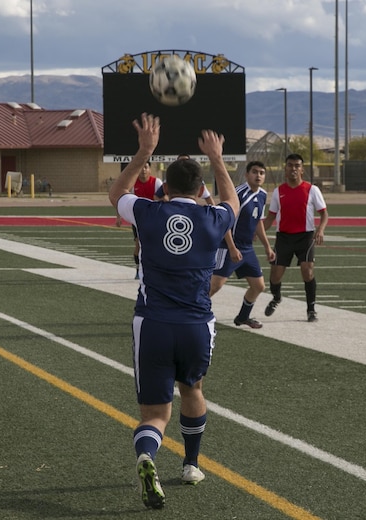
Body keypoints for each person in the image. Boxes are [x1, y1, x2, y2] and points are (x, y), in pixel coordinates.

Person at [108, 113, 239, 510]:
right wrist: (217, 158)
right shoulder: (213, 217)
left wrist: (144, 149)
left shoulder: (148, 212)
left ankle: (147, 455)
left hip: (153, 324)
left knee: (154, 413)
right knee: (193, 390)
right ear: (200, 189)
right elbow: (233, 201)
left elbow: (117, 194)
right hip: (197, 323)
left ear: (164, 187)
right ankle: (191, 464)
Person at [262, 153, 328, 322]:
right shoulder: (278, 191)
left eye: (297, 166)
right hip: (283, 238)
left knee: (307, 271)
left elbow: (324, 214)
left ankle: (311, 309)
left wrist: (320, 229)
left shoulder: (312, 190)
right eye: (290, 165)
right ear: (285, 169)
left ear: (302, 169)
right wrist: (258, 231)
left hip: (305, 237)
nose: (293, 169)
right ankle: (276, 298)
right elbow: (270, 217)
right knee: (275, 275)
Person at [209, 161, 275, 328]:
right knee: (214, 285)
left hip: (247, 248)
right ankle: (189, 313)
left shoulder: (262, 195)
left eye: (262, 172)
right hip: (228, 246)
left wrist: (267, 247)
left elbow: (258, 221)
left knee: (258, 286)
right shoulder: (238, 194)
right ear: (247, 175)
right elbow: (224, 221)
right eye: (255, 172)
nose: (258, 175)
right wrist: (231, 247)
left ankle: (242, 317)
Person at [115, 160, 162, 278]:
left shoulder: (157, 183)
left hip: (154, 218)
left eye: (146, 167)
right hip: (138, 219)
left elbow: (164, 198)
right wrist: (118, 216)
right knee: (138, 244)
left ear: (150, 169)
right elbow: (122, 198)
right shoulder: (133, 184)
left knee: (157, 244)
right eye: (141, 167)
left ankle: (156, 269)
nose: (143, 170)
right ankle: (137, 270)